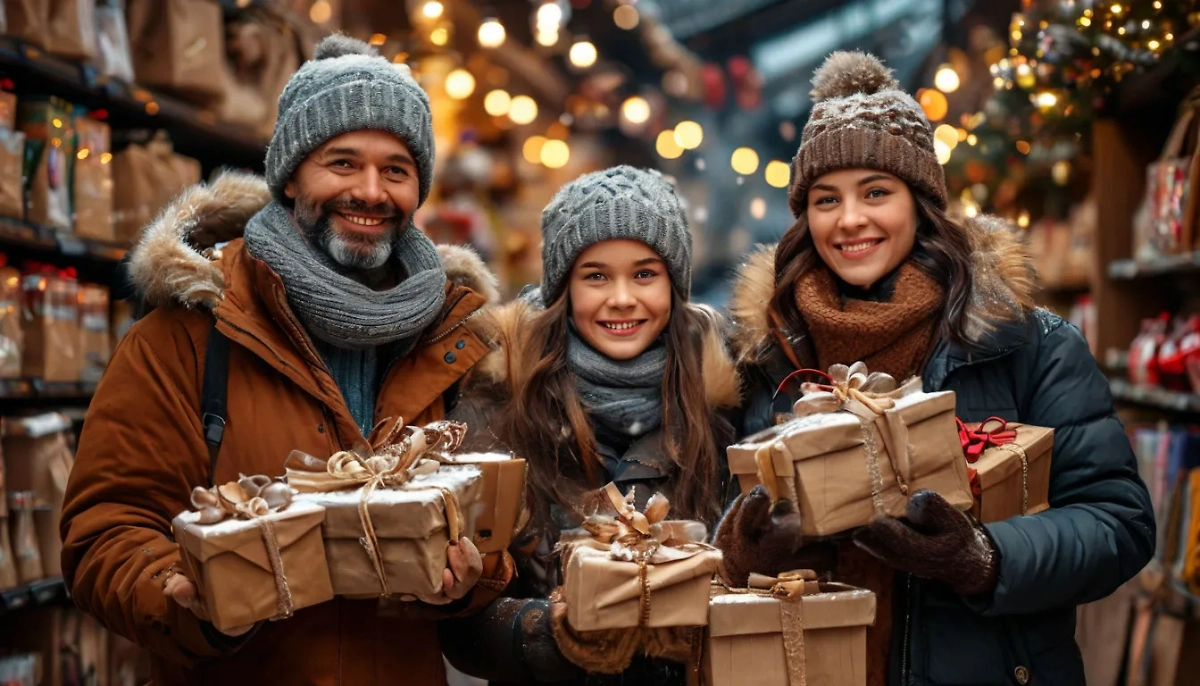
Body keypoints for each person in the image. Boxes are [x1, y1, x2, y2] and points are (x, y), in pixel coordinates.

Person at [59, 35, 513, 685]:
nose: (371, 191)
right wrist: (189, 597)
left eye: (396, 170)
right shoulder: (187, 336)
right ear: (292, 174)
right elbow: (106, 531)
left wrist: (474, 573)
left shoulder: (452, 341)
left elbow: (501, 531)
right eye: (343, 163)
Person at [717, 51, 1155, 685]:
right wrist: (742, 552)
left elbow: (1119, 523)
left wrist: (982, 558)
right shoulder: (769, 359)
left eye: (876, 192)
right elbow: (715, 532)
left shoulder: (1025, 345)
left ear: (921, 202)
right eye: (825, 199)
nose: (850, 220)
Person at [439, 166, 741, 684]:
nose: (621, 298)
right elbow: (462, 626)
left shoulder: (723, 408)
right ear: (564, 287)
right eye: (596, 276)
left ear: (674, 284)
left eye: (644, 274)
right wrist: (553, 633)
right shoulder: (499, 407)